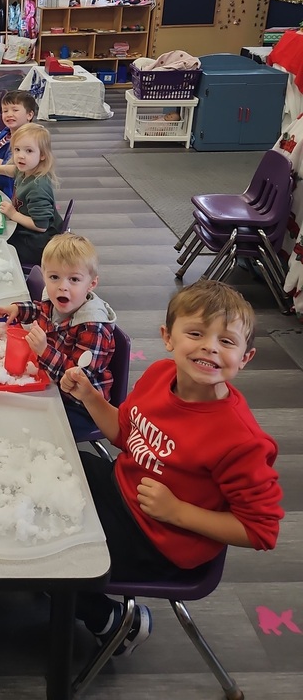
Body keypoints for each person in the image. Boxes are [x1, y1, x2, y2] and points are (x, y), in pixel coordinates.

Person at [60, 280, 284, 658]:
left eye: (226, 341)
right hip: (121, 489)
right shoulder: (159, 375)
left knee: (51, 554)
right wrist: (89, 396)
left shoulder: (241, 441)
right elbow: (126, 435)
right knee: (55, 466)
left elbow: (261, 531)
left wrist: (177, 511)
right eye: (195, 333)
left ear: (245, 358)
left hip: (159, 541)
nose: (210, 346)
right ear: (168, 337)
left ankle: (113, 623)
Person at [0, 233, 116, 433]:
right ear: (44, 276)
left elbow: (77, 381)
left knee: (22, 422)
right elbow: (40, 310)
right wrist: (18, 309)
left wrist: (44, 351)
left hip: (80, 406)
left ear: (91, 284)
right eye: (54, 277)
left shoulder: (94, 328)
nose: (62, 286)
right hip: (51, 382)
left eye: (74, 279)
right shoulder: (55, 301)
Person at [0, 123, 61, 268]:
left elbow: (41, 226)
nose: (21, 156)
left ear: (43, 155)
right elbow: (13, 170)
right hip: (27, 229)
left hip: (38, 242)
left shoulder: (37, 187)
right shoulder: (27, 169)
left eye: (29, 151)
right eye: (17, 149)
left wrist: (13, 214)